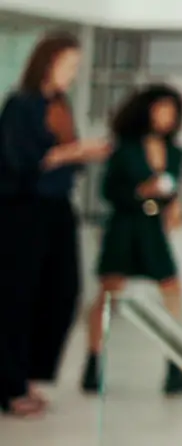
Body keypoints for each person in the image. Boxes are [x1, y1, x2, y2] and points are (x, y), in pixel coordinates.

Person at [0, 32, 111, 418]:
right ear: (47, 63)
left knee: (62, 291)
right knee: (18, 297)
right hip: (23, 212)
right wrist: (73, 151)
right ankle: (12, 388)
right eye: (68, 66)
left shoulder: (59, 106)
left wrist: (81, 153)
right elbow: (21, 162)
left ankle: (28, 375)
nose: (73, 74)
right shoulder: (20, 105)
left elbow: (63, 159)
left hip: (57, 208)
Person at [80, 84, 182, 396]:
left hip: (151, 229)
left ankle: (175, 366)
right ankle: (93, 362)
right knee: (109, 291)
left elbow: (171, 190)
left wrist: (173, 207)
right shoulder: (125, 148)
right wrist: (140, 192)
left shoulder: (174, 152)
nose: (167, 118)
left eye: (172, 112)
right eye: (162, 110)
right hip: (124, 225)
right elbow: (109, 190)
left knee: (172, 289)